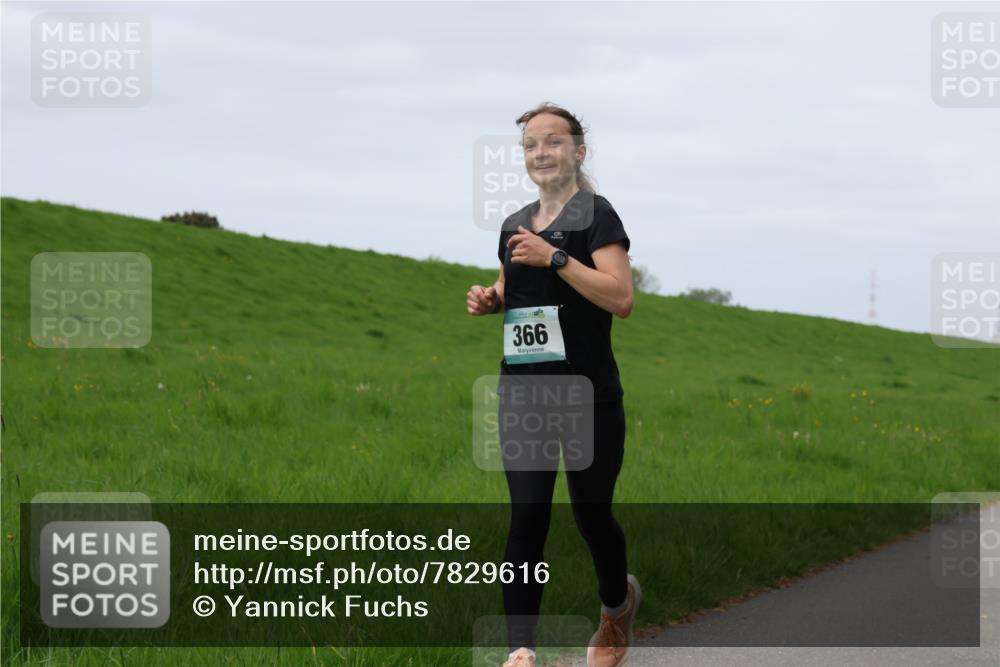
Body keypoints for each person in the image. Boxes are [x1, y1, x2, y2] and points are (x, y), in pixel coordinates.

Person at [466, 102, 640, 667]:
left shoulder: (597, 215)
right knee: (528, 514)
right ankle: (521, 650)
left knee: (592, 515)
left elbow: (621, 298)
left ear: (578, 152)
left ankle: (616, 610)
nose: (541, 153)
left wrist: (556, 256)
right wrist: (491, 299)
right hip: (523, 392)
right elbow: (514, 286)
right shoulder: (513, 224)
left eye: (553, 142)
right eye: (531, 146)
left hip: (588, 396)